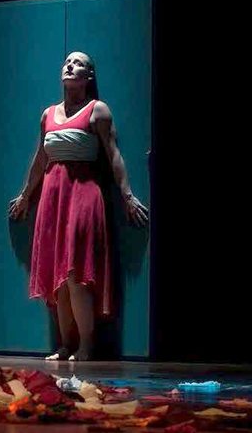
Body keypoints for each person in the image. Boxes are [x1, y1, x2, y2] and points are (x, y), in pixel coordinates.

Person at [8, 51, 149, 361]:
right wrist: (26, 195)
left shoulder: (97, 110)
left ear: (89, 76)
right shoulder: (48, 114)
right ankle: (65, 345)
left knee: (75, 275)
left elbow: (113, 155)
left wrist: (127, 196)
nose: (70, 66)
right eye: (67, 62)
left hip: (83, 194)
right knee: (58, 280)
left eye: (78, 64)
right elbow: (40, 159)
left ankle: (86, 345)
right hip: (53, 197)